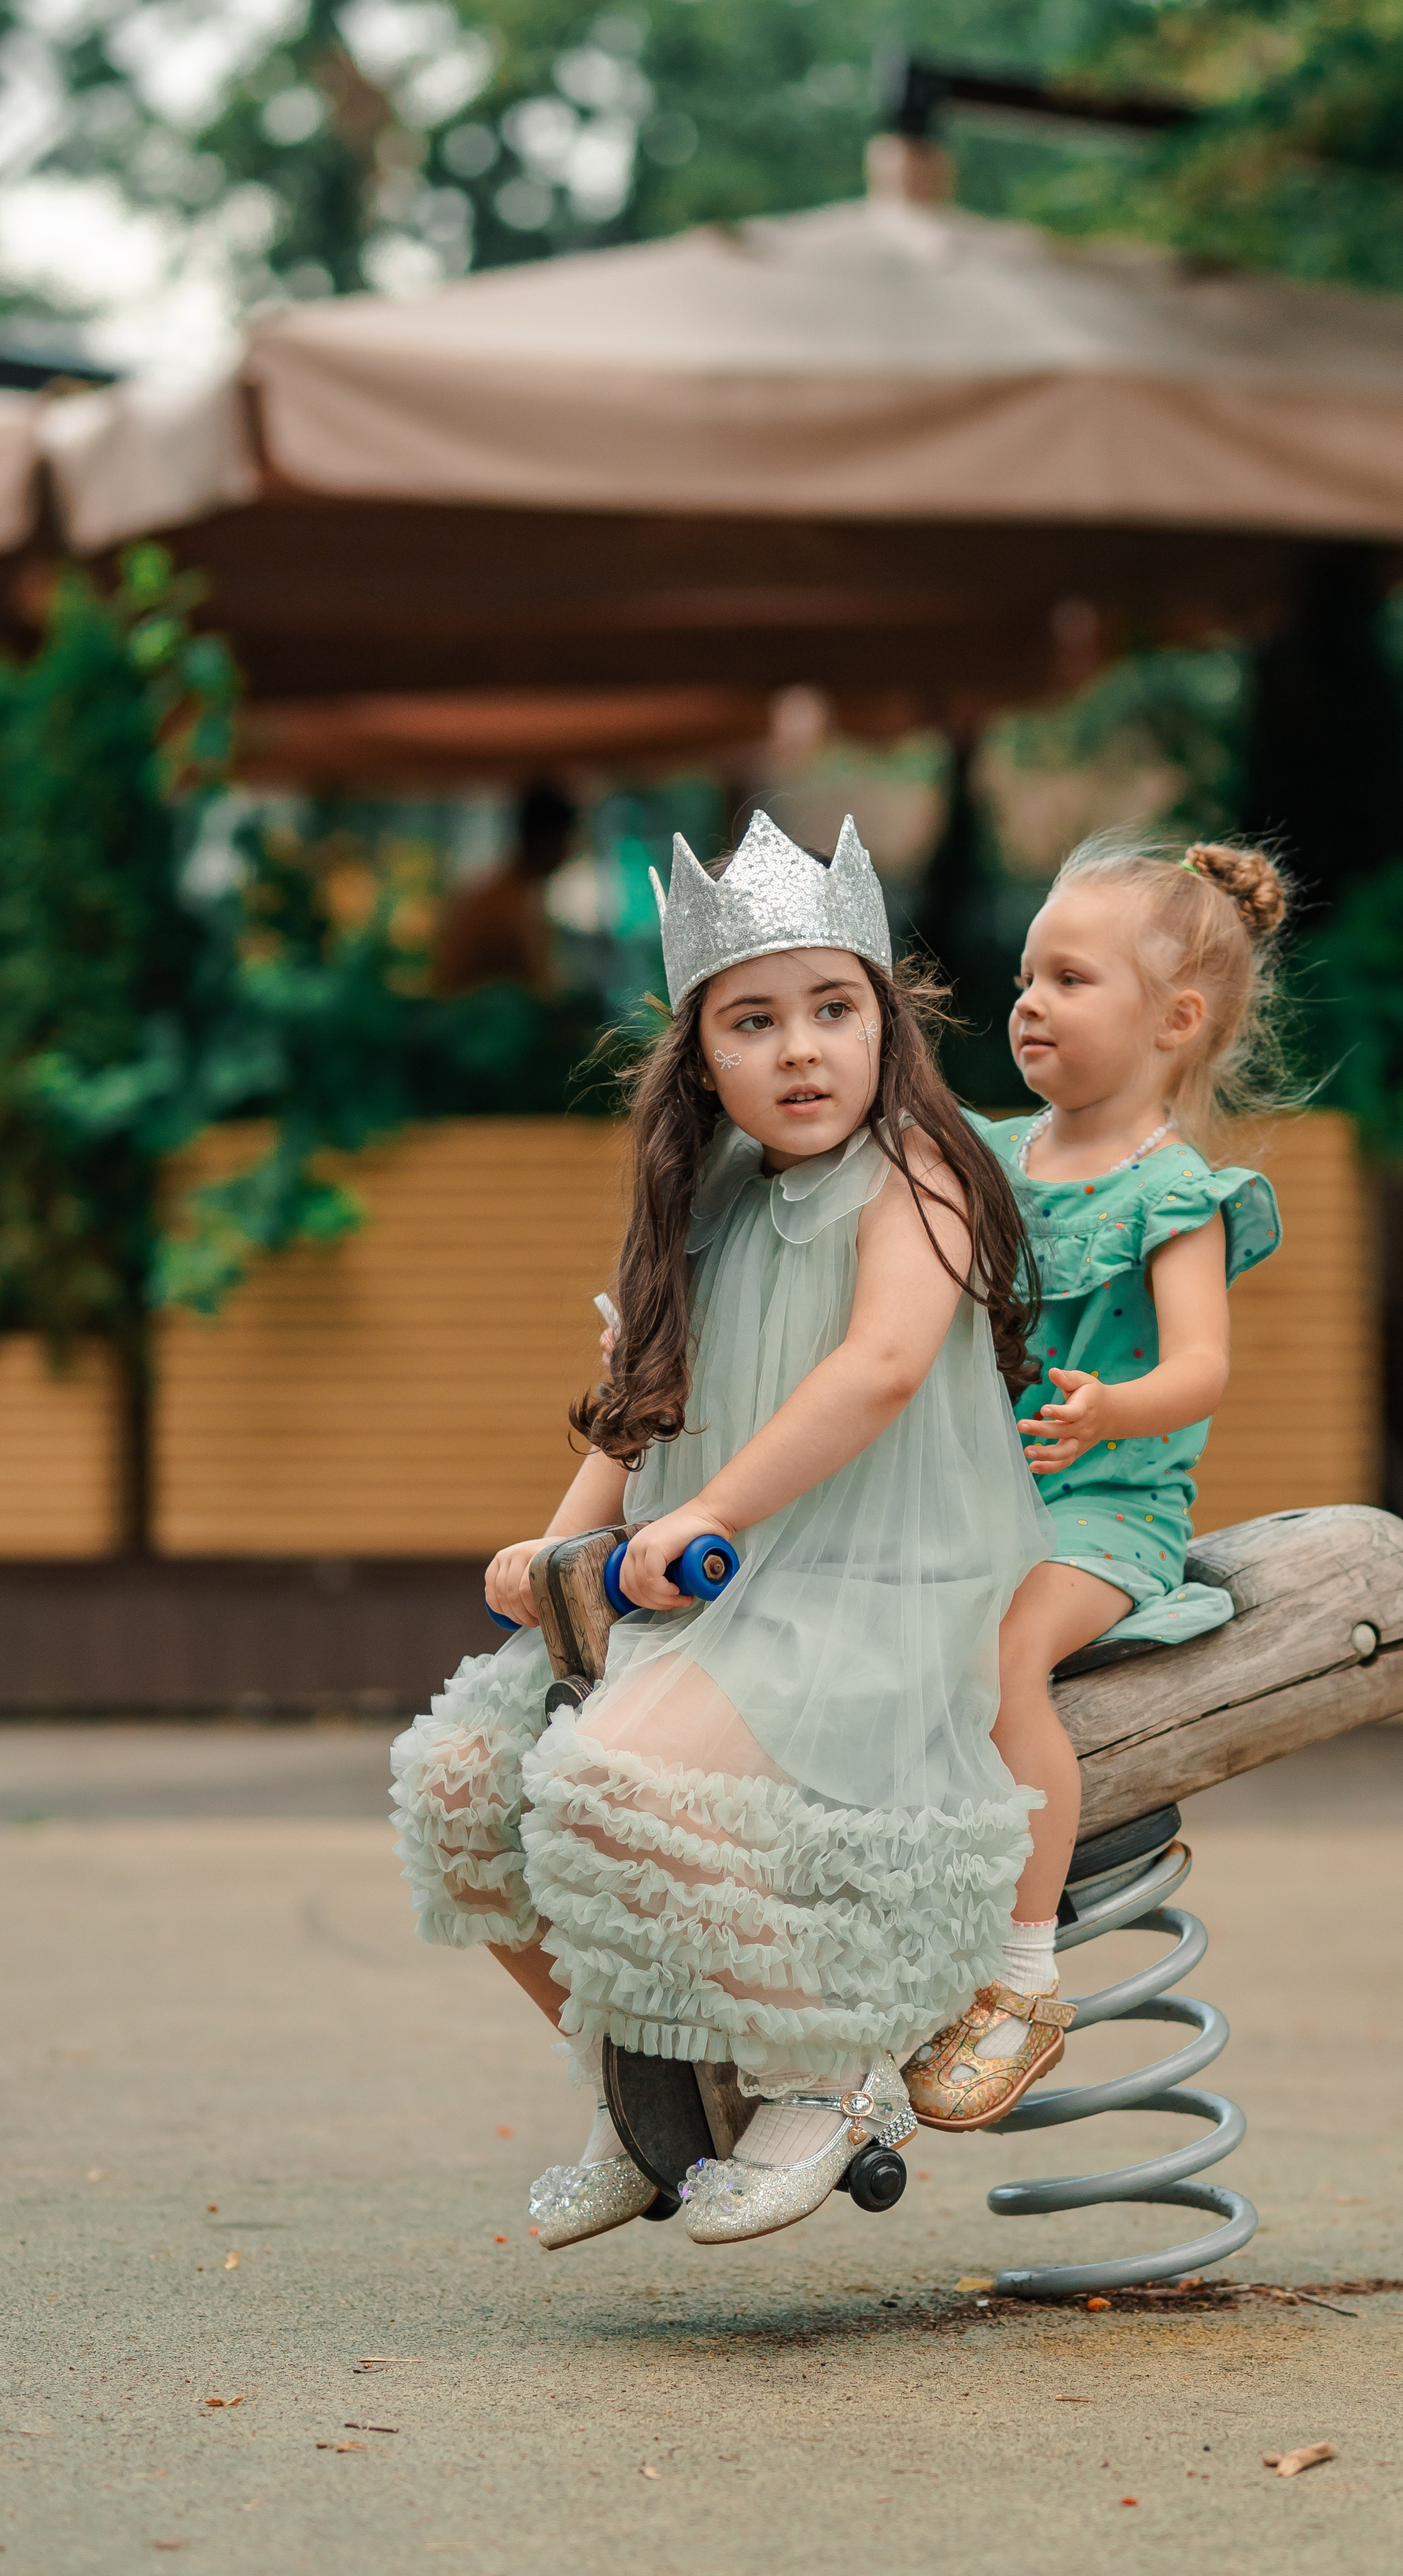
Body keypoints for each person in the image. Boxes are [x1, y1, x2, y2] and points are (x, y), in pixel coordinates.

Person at [391, 812, 1050, 2249]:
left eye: (834, 1008)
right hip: (708, 1566)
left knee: (614, 1771)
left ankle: (825, 2066)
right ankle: (653, 2088)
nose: (802, 1048)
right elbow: (645, 1407)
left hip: (871, 1574)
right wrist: (556, 1552)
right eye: (755, 1021)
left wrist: (699, 1516)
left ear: (889, 1022)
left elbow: (877, 1368)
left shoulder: (919, 1172)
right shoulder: (710, 1198)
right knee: (458, 1783)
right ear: (704, 1059)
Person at [901, 835, 1288, 2132]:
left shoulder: (1175, 1191)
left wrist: (1113, 1404)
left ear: (1175, 1020)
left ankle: (1021, 1975)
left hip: (1108, 1508)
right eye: (1026, 974)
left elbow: (1202, 1368)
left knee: (1006, 1655)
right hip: (990, 1492)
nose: (1029, 1002)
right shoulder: (998, 1156)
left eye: (1069, 977)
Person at [430, 781, 576, 997]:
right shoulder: (505, 907)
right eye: (566, 840)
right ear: (545, 840)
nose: (568, 852)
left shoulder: (507, 897)